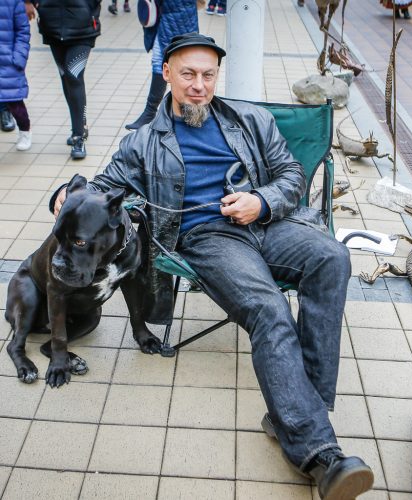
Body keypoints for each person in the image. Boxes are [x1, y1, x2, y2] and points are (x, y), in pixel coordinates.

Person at [52, 33, 374, 499]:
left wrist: (259, 200)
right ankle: (320, 454)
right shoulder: (143, 142)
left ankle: (296, 411)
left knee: (332, 256)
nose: (199, 85)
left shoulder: (251, 119)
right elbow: (102, 188)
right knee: (268, 308)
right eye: (188, 74)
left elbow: (291, 175)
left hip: (267, 222)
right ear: (167, 74)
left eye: (207, 75)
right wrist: (65, 193)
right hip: (209, 237)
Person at [34, 0, 103, 160]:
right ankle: (79, 125)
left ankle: (78, 137)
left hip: (83, 27)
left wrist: (87, 8)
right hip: (52, 26)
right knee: (66, 78)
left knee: (73, 77)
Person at [125, 0, 200, 130]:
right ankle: (153, 112)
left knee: (179, 66)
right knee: (162, 63)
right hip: (169, 18)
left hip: (178, 18)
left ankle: (182, 113)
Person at [0, 0, 32, 151]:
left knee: (15, 103)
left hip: (8, 61)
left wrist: (19, 58)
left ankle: (25, 131)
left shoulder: (12, 2)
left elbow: (22, 30)